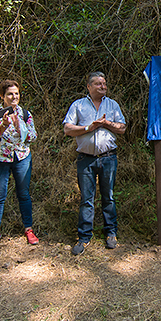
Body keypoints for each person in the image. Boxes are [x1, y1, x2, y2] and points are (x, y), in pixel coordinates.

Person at [63, 71, 126, 255]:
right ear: (89, 87)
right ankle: (84, 237)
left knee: (109, 197)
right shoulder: (78, 105)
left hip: (108, 157)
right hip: (86, 159)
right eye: (98, 84)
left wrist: (106, 123)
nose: (103, 87)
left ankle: (111, 234)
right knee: (86, 199)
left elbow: (122, 128)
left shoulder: (112, 105)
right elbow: (67, 128)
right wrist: (88, 128)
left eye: (104, 84)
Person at [0, 80, 39, 253]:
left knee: (24, 194)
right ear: (2, 96)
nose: (14, 97)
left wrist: (20, 128)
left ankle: (29, 229)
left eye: (16, 93)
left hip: (21, 157)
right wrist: (4, 124)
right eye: (10, 94)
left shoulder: (25, 113)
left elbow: (33, 137)